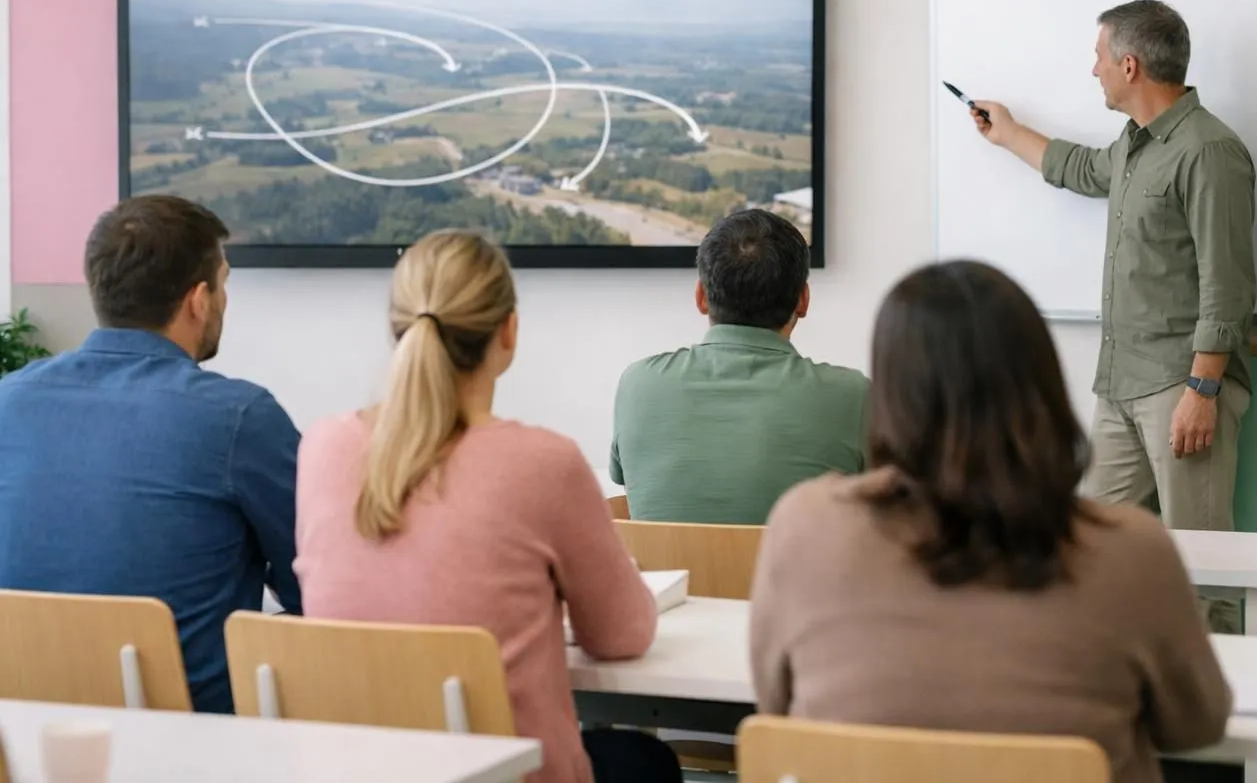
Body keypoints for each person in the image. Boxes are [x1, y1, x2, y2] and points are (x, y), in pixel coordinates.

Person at [750, 261, 1231, 783]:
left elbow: (775, 700)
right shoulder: (1130, 550)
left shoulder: (805, 525)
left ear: (889, 392)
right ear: (1042, 382)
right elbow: (1196, 726)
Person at [294, 231, 679, 783]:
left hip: (365, 772)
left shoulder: (323, 447)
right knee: (647, 762)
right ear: (509, 332)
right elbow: (622, 637)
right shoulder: (544, 462)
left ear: (396, 330)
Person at [971, 0, 1256, 632]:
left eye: (1099, 56)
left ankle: (1224, 714)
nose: (1092, 67)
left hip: (1182, 385)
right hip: (1121, 382)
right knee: (1087, 550)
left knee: (1204, 569)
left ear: (1129, 65)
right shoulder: (1134, 146)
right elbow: (1078, 168)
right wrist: (1008, 131)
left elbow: (1228, 283)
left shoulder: (1210, 152)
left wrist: (1202, 389)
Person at [0, 195, 303, 713]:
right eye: (224, 283)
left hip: (33, 748)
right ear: (199, 300)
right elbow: (320, 586)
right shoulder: (238, 418)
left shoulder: (8, 401)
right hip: (195, 754)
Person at [610, 209, 866, 525]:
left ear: (701, 296)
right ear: (803, 300)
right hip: (796, 576)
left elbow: (623, 479)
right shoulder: (853, 397)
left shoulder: (639, 385)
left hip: (679, 575)